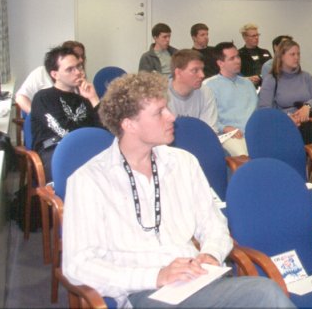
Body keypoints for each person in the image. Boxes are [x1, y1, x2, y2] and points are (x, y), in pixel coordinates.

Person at [62, 73, 293, 308]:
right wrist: (157, 276)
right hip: (146, 291)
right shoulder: (88, 180)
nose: (172, 116)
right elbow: (78, 265)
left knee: (267, 292)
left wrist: (211, 254)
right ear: (128, 124)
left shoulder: (184, 162)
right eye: (159, 112)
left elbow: (213, 223)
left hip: (198, 278)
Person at [30, 46, 102, 181]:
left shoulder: (84, 99)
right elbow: (64, 131)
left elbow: (105, 132)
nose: (78, 72)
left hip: (85, 149)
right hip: (55, 151)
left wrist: (94, 99)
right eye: (70, 69)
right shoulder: (43, 98)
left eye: (79, 67)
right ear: (54, 74)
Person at [258, 39, 312, 142]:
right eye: (292, 54)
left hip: (308, 120)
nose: (296, 57)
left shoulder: (306, 77)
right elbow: (264, 109)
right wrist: (288, 118)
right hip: (284, 123)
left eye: (298, 54)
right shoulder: (271, 80)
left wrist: (307, 107)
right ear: (281, 57)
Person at [204, 42, 258, 157]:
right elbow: (207, 119)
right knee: (243, 156)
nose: (238, 61)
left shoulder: (247, 83)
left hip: (253, 132)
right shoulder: (209, 86)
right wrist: (225, 128)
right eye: (232, 58)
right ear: (220, 63)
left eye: (238, 56)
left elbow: (257, 111)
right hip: (229, 134)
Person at [16, 40, 86, 114]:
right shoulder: (40, 73)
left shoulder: (78, 76)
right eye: (77, 56)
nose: (81, 59)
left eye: (82, 56)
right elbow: (21, 97)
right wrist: (36, 115)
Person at [167, 50, 217, 132]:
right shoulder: (159, 94)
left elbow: (209, 130)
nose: (202, 75)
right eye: (195, 70)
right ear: (178, 73)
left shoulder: (206, 92)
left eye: (202, 69)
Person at [238, 23, 271, 87]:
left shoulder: (265, 52)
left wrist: (260, 77)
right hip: (248, 87)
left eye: (257, 35)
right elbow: (236, 74)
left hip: (266, 86)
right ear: (245, 37)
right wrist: (248, 78)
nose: (256, 38)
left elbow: (272, 69)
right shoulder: (239, 54)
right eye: (253, 36)